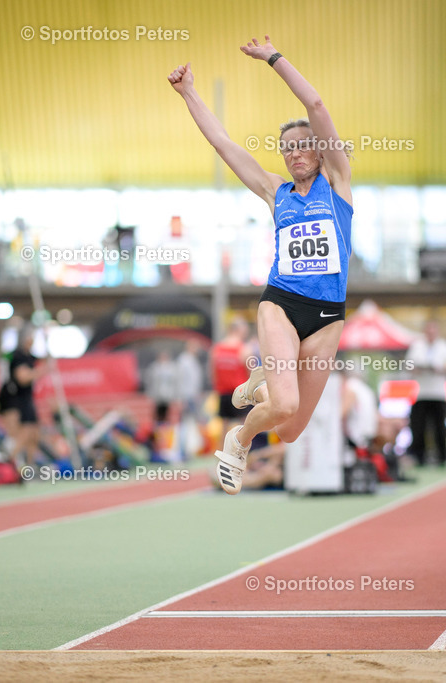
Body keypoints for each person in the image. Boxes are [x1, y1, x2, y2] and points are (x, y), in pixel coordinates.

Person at [169, 34, 353, 495]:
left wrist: (273, 58)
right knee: (285, 402)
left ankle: (261, 384)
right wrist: (189, 92)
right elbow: (224, 144)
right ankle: (239, 438)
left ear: (320, 151)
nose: (293, 153)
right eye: (286, 148)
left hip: (328, 318)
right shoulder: (277, 193)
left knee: (289, 427)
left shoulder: (339, 186)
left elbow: (314, 102)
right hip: (282, 304)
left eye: (302, 145)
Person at [405, 321, 446, 467]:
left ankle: (443, 456)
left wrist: (440, 370)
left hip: (438, 393)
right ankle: (419, 457)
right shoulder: (417, 346)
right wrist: (419, 369)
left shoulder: (445, 347)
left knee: (440, 426)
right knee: (418, 427)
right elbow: (408, 366)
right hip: (421, 393)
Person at [2, 326, 47, 466]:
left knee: (34, 433)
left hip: (27, 398)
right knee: (23, 432)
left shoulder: (29, 356)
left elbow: (43, 359)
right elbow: (22, 377)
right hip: (15, 398)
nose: (32, 340)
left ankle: (29, 466)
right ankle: (10, 462)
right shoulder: (18, 355)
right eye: (30, 337)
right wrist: (39, 372)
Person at [210, 319, 252, 439]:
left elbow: (213, 372)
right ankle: (241, 454)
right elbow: (250, 373)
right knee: (244, 425)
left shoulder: (217, 349)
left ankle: (223, 454)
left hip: (223, 392)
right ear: (238, 330)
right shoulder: (244, 349)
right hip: (239, 392)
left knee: (224, 425)